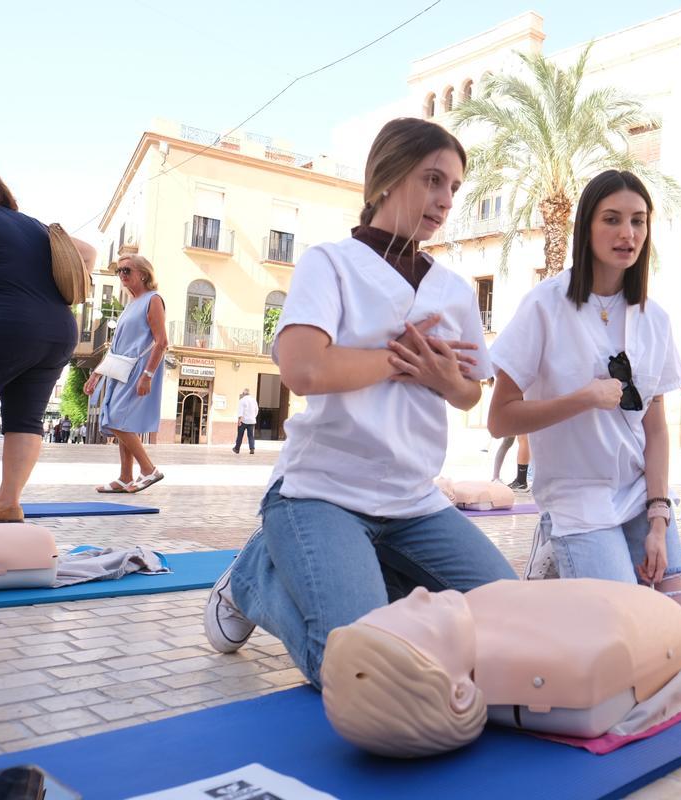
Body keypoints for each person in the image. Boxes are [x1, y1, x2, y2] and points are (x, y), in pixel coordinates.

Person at [201, 117, 517, 689]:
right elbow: (304, 369)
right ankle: (252, 582)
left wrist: (444, 377)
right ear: (387, 177)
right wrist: (399, 359)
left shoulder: (453, 291)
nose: (446, 200)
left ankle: (367, 584)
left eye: (453, 187)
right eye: (432, 180)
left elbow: (470, 390)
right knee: (362, 673)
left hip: (415, 502)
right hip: (322, 494)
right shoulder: (331, 263)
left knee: (511, 620)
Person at [488, 169, 681, 608]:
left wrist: (659, 520)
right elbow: (500, 418)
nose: (627, 233)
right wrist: (583, 399)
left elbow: (656, 430)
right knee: (623, 621)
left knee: (676, 617)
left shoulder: (654, 319)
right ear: (586, 226)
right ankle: (556, 550)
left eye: (638, 221)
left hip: (640, 494)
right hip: (577, 496)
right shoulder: (545, 305)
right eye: (612, 219)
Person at [321, 579, 681, 757]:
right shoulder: (570, 651)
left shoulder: (482, 603)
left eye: (401, 603)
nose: (419, 592)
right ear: (460, 692)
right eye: (420, 617)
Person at [0, 169, 95, 522]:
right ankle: (7, 503)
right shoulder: (34, 226)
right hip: (58, 331)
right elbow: (87, 252)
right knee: (25, 418)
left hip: (6, 322)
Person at [83, 254, 168, 493]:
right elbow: (116, 346)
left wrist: (147, 375)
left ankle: (149, 469)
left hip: (139, 368)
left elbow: (162, 342)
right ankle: (125, 477)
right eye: (119, 271)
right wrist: (97, 373)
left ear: (143, 274)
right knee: (122, 420)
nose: (122, 274)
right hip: (122, 368)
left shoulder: (153, 299)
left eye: (127, 270)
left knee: (117, 419)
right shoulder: (132, 303)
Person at [233, 388, 258, 454]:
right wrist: (253, 417)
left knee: (240, 435)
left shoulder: (242, 400)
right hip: (252, 421)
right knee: (251, 436)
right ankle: (252, 448)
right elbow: (256, 410)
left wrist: (239, 420)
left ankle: (237, 449)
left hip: (243, 420)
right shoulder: (253, 400)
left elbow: (240, 411)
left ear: (244, 393)